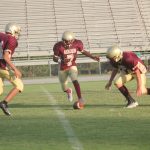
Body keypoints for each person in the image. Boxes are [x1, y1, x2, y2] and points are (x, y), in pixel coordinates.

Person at [53, 31, 100, 109]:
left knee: (74, 79)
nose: (66, 42)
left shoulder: (77, 43)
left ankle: (80, 98)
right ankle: (68, 91)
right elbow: (54, 58)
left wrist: (93, 57)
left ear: (72, 40)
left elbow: (83, 51)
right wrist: (60, 60)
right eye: (65, 40)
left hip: (72, 65)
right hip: (62, 68)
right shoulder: (58, 46)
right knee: (63, 86)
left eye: (68, 41)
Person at [0, 23, 24, 116]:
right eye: (17, 32)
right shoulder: (12, 39)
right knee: (19, 85)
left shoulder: (1, 35)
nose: (17, 34)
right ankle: (4, 103)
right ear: (13, 31)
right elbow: (6, 57)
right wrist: (15, 69)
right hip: (3, 67)